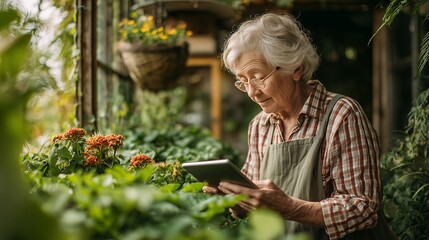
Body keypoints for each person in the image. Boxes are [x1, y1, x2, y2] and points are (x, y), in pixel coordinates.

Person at [202, 12, 397, 240]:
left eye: (258, 77)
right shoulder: (259, 125)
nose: (252, 92)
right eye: (243, 82)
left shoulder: (342, 114)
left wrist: (289, 207)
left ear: (296, 68)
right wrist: (235, 199)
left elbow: (363, 208)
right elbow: (256, 203)